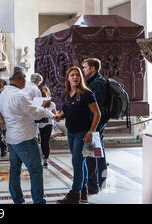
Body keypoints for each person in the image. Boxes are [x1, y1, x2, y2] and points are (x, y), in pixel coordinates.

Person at [0, 67, 55, 204]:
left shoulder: (4, 92)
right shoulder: (20, 95)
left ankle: (18, 200)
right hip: (25, 137)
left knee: (15, 170)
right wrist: (44, 105)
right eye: (24, 77)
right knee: (35, 170)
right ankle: (38, 201)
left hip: (12, 137)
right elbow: (35, 113)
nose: (25, 80)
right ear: (18, 78)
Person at [54, 66, 101, 204]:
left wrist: (91, 132)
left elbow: (98, 114)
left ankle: (74, 194)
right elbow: (65, 109)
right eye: (72, 75)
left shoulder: (86, 93)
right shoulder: (67, 94)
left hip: (83, 133)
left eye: (77, 75)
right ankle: (83, 189)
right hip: (71, 132)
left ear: (80, 78)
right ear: (68, 78)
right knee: (81, 162)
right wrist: (59, 116)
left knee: (77, 162)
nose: (75, 77)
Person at [82, 58, 110, 194]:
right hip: (97, 123)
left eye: (85, 67)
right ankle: (100, 180)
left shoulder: (98, 84)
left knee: (91, 154)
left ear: (93, 69)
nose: (83, 70)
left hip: (95, 123)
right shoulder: (94, 82)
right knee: (98, 151)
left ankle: (93, 184)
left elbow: (95, 108)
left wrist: (90, 127)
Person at [38, 86, 56, 167]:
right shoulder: (39, 104)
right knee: (44, 141)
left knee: (45, 141)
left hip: (47, 124)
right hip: (42, 124)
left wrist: (46, 111)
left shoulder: (51, 104)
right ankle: (45, 158)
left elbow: (55, 115)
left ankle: (45, 159)